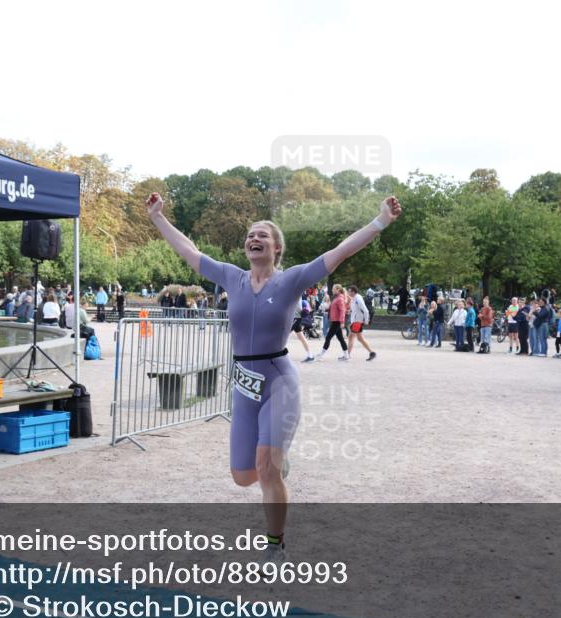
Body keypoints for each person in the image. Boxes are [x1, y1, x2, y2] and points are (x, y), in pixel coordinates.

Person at [146, 191, 402, 560]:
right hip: (244, 386)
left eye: (262, 235)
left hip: (279, 380)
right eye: (251, 235)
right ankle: (278, 462)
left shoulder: (292, 280)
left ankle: (274, 543)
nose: (254, 238)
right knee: (243, 475)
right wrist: (157, 218)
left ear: (276, 248)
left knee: (266, 468)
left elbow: (342, 251)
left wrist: (380, 221)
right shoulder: (230, 278)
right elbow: (188, 251)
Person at [317, 284, 350, 361]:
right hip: (335, 320)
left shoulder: (340, 299)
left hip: (337, 321)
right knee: (340, 338)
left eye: (333, 289)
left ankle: (321, 355)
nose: (332, 290)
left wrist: (342, 322)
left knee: (328, 337)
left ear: (338, 289)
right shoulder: (337, 298)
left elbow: (342, 311)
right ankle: (346, 355)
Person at [346, 286, 376, 360]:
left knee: (351, 337)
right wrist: (350, 311)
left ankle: (347, 355)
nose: (348, 293)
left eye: (349, 291)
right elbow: (356, 309)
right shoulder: (354, 298)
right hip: (356, 321)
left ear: (353, 292)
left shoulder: (358, 298)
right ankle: (372, 353)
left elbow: (365, 310)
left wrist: (366, 320)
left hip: (358, 321)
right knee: (360, 339)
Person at [290, 295, 315, 362]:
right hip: (296, 317)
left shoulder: (295, 292)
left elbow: (297, 307)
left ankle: (279, 355)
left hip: (295, 317)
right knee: (301, 337)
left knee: (284, 336)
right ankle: (310, 355)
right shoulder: (296, 292)